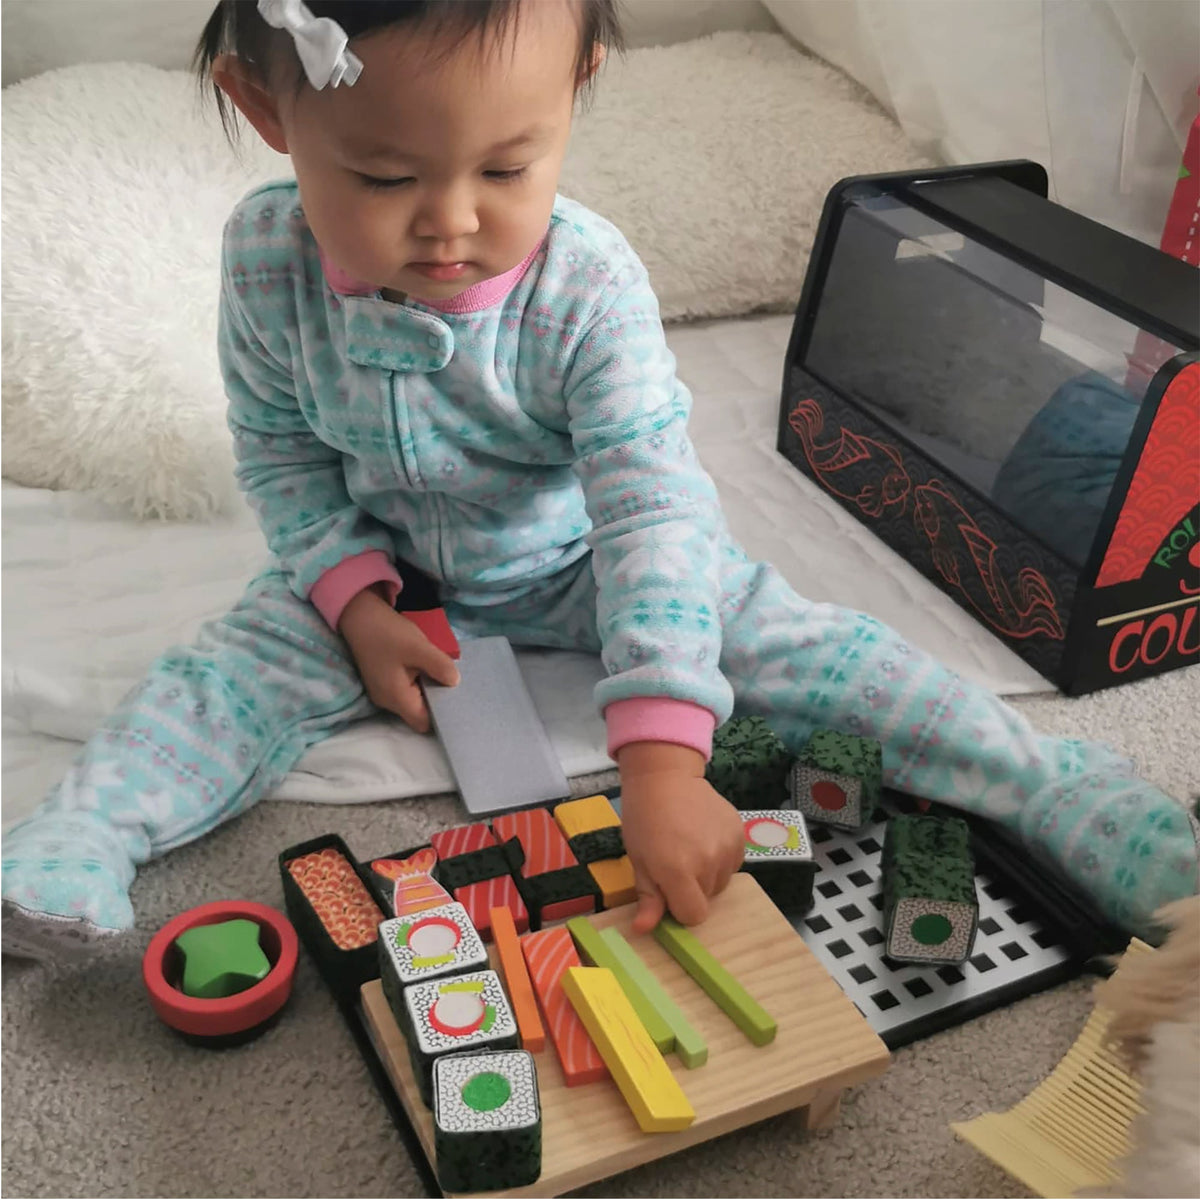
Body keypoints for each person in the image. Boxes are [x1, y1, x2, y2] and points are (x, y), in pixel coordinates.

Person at [2, 0, 1194, 960]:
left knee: (825, 657)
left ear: (576, 92)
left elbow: (650, 510)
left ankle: (1059, 791)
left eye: (508, 166)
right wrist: (353, 598)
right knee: (218, 680)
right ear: (266, 111)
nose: (451, 223)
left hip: (586, 557)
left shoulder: (588, 284)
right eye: (383, 178)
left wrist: (665, 755)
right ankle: (75, 841)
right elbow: (279, 450)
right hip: (391, 568)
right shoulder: (266, 257)